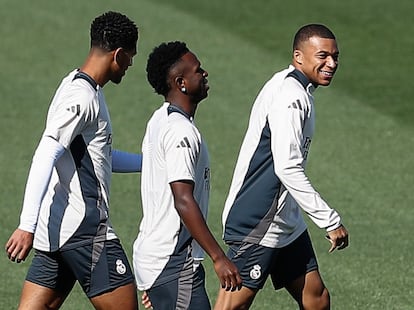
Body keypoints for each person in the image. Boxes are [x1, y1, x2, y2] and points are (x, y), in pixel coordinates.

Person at [5, 11, 141, 309]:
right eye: (130, 57)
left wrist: (148, 163)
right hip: (86, 231)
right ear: (118, 54)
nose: (130, 65)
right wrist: (26, 224)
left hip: (57, 231)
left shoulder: (74, 85)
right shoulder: (82, 98)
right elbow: (46, 153)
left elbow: (97, 158)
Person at [214, 24, 349, 310]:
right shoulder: (291, 97)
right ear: (299, 56)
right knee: (231, 307)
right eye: (323, 56)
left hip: (285, 220)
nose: (332, 63)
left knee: (317, 300)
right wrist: (330, 220)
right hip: (260, 220)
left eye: (335, 56)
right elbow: (287, 167)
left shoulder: (293, 85)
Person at [133, 41, 242, 310]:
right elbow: (183, 199)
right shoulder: (181, 131)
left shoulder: (160, 119)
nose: (204, 74)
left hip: (163, 264)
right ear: (181, 83)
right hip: (172, 262)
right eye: (198, 70)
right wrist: (218, 257)